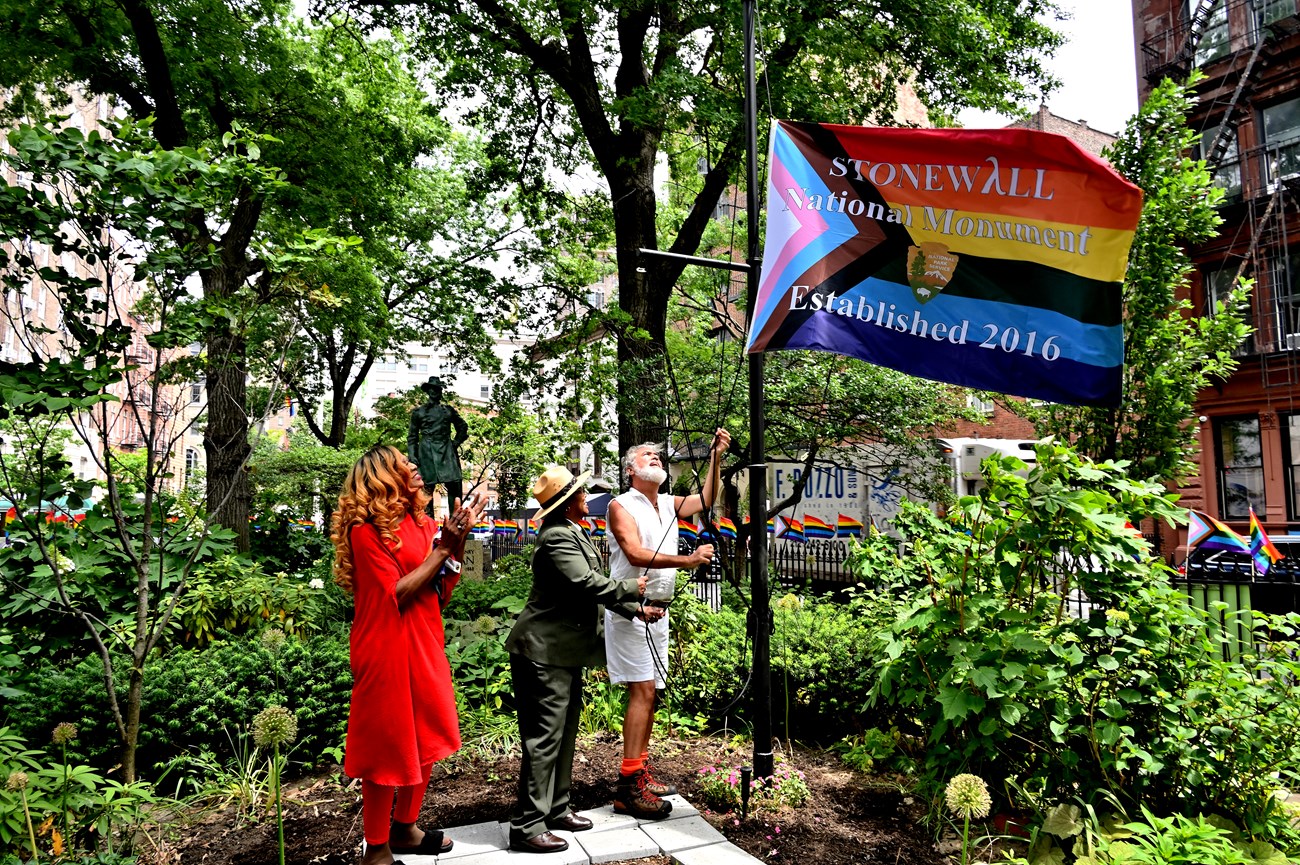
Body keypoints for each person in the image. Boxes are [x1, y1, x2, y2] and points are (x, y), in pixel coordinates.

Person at [330, 445, 487, 865]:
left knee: (427, 732)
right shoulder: (366, 531)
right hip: (384, 645)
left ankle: (405, 829)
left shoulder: (422, 523)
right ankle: (376, 848)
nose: (415, 466)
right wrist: (443, 548)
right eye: (404, 463)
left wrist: (458, 538)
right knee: (387, 745)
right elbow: (393, 595)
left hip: (424, 638)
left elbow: (438, 589)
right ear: (383, 477)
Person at [505, 466, 651, 853]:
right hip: (543, 653)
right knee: (544, 739)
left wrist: (635, 609)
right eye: (581, 494)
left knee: (564, 732)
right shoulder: (556, 538)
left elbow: (589, 592)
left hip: (563, 652)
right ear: (568, 503)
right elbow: (585, 583)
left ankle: (556, 808)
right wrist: (630, 587)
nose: (587, 498)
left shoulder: (572, 531)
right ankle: (526, 826)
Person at [605, 429, 730, 817]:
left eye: (658, 456)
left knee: (652, 692)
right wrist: (688, 560)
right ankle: (628, 786)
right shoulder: (620, 505)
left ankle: (639, 770)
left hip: (659, 609)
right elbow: (635, 552)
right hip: (631, 609)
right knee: (641, 691)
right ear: (630, 470)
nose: (655, 458)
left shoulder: (669, 503)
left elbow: (708, 498)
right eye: (647, 456)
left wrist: (715, 457)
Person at [407, 376, 469, 510]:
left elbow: (462, 427)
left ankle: (456, 521)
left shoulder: (448, 410)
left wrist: (455, 443)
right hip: (426, 453)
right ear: (428, 391)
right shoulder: (419, 412)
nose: (434, 391)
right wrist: (412, 456)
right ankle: (427, 526)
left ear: (440, 391)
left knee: (455, 484)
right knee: (425, 489)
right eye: (432, 389)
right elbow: (412, 437)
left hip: (447, 451)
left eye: (437, 389)